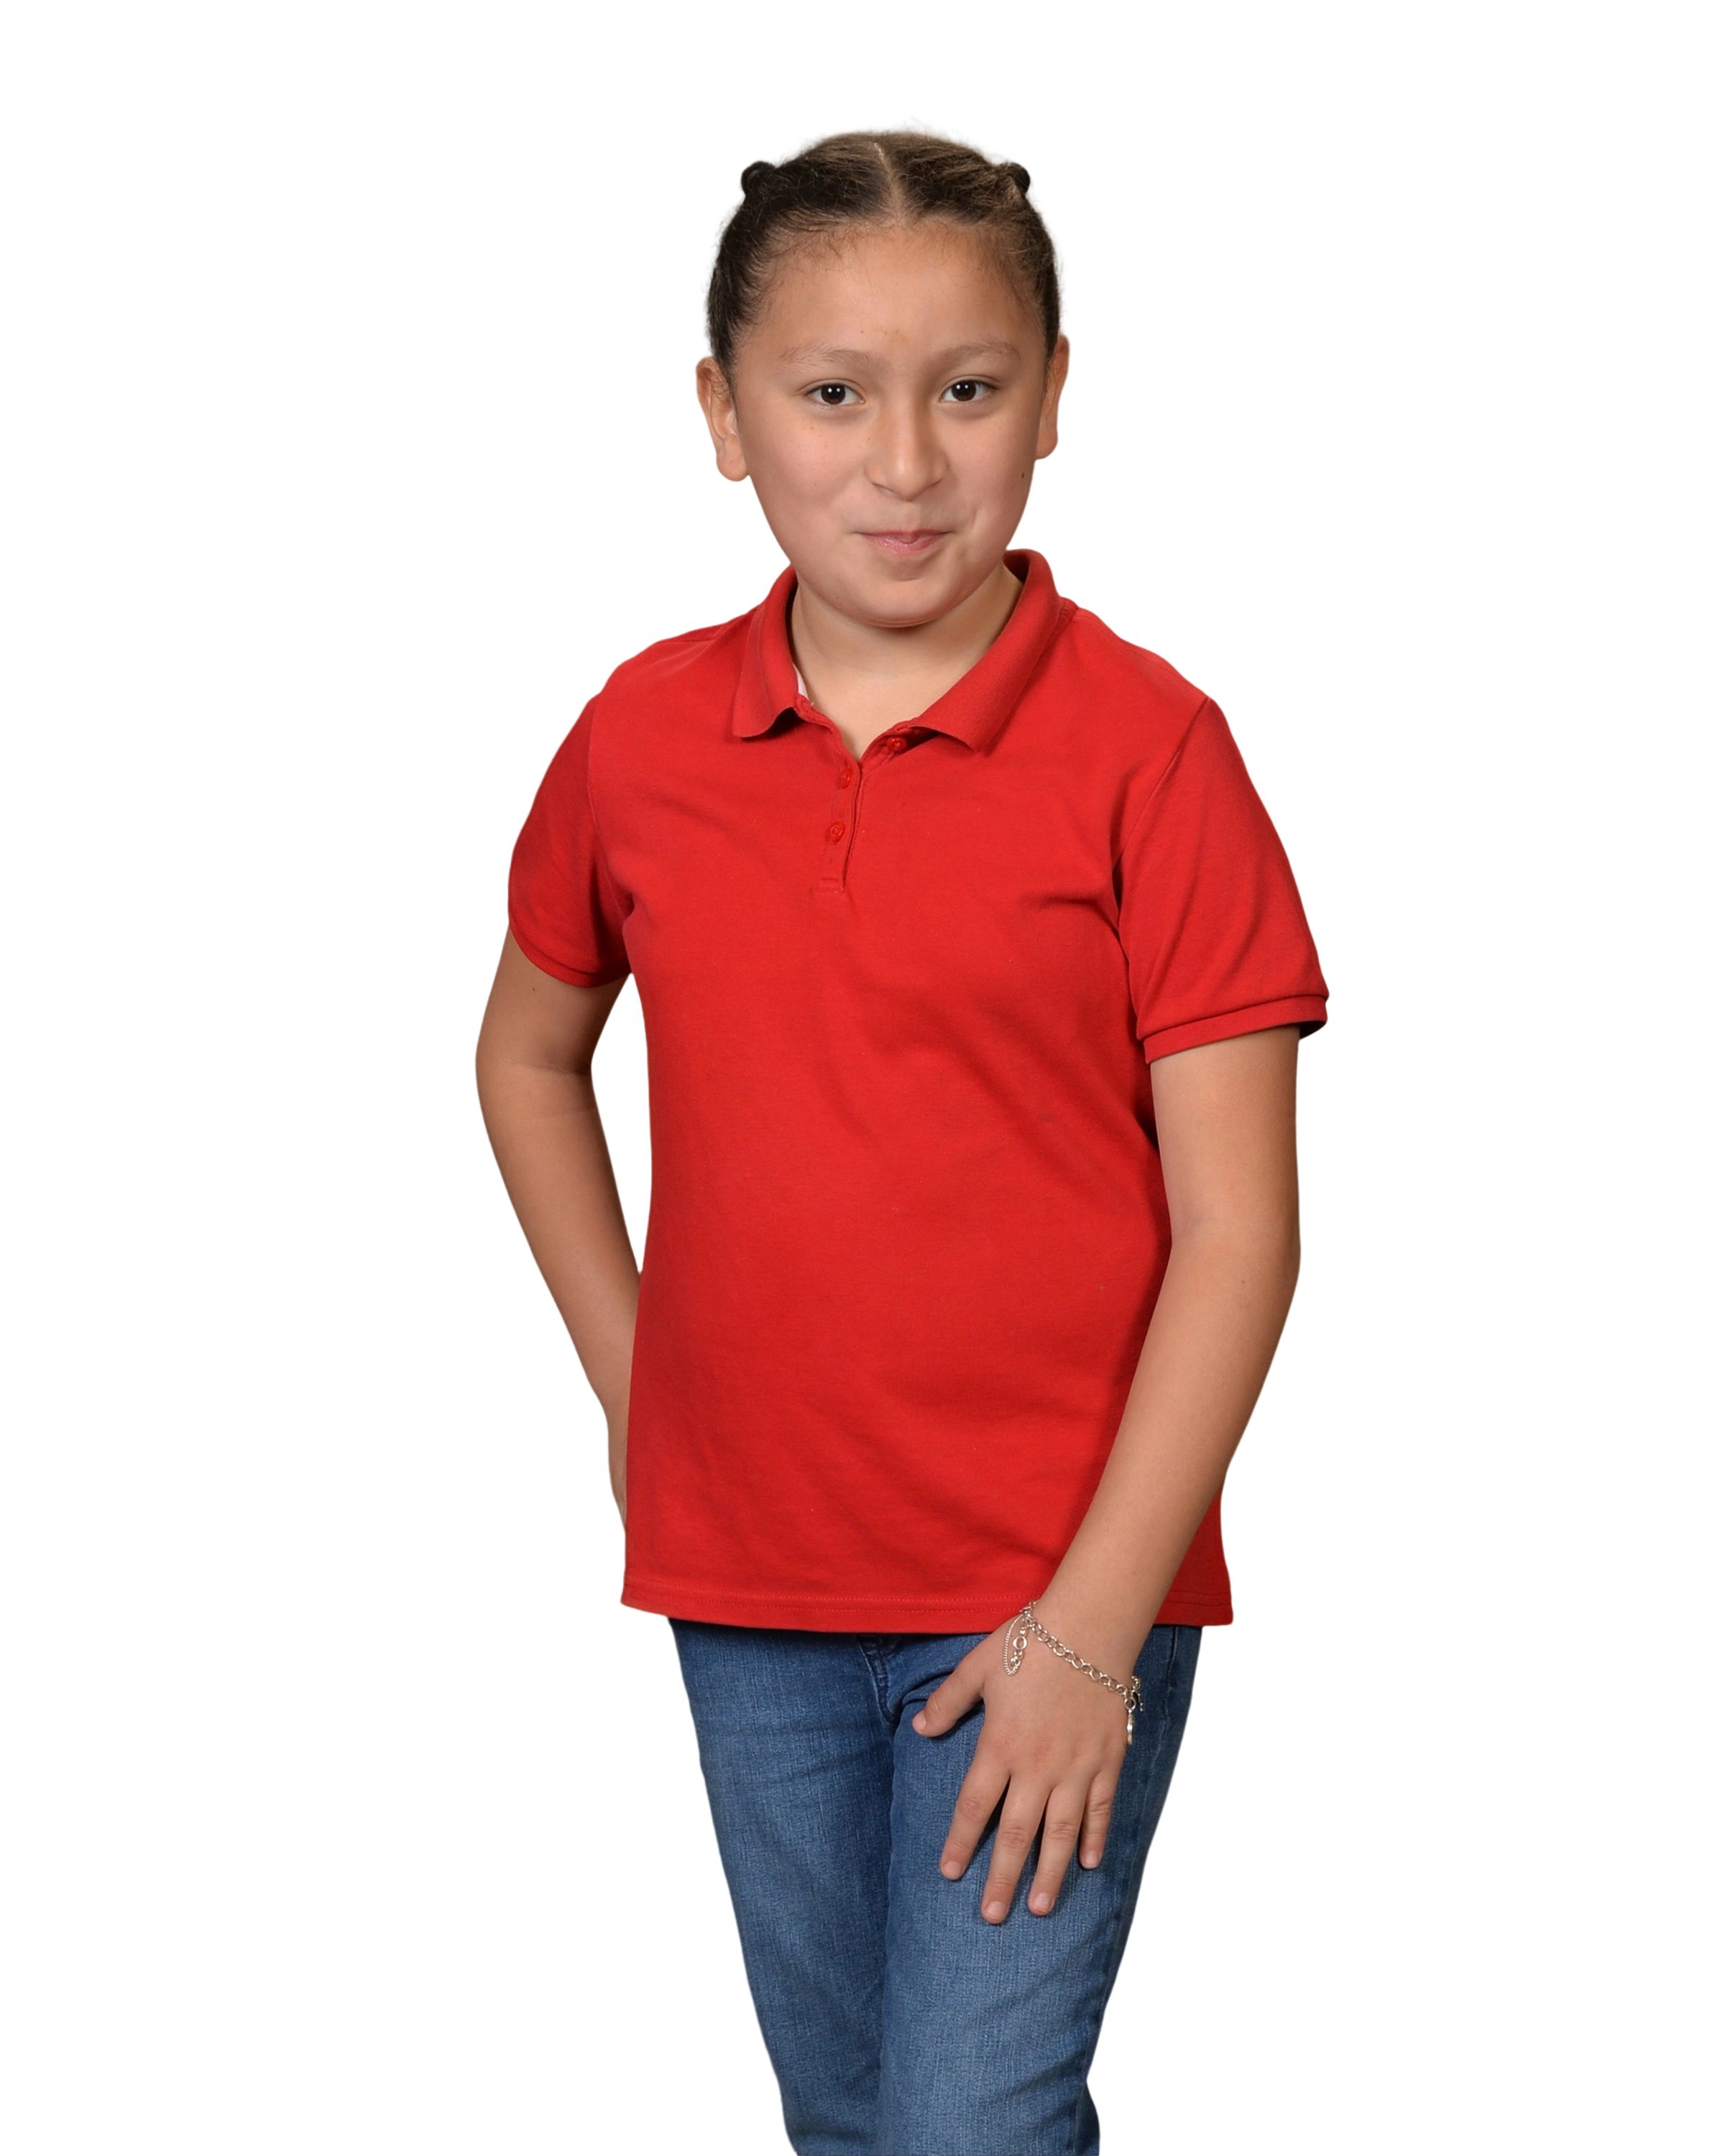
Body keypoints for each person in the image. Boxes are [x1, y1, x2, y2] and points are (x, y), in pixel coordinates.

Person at [472, 113, 1331, 2156]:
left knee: (972, 2131)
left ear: (1056, 398)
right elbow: (525, 1058)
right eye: (833, 394)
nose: (907, 464)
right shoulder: (638, 737)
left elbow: (1243, 1230)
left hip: (1051, 1581)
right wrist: (632, 1379)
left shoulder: (1153, 751)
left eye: (968, 389)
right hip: (746, 1582)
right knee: (855, 2124)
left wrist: (1091, 1637)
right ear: (721, 413)